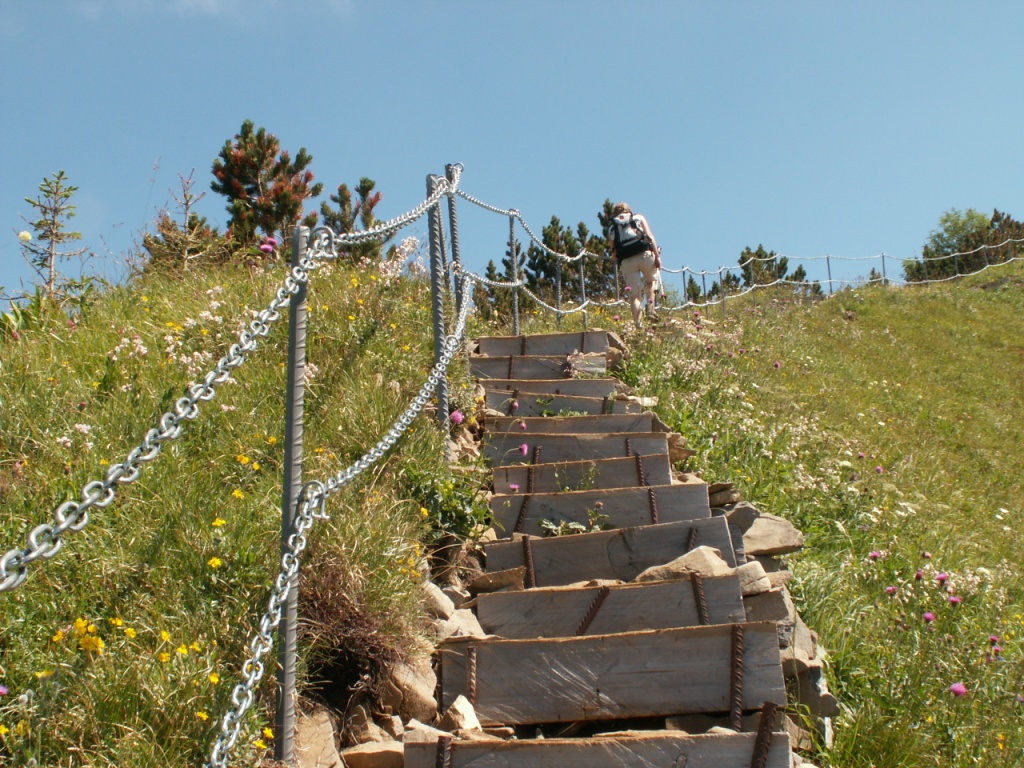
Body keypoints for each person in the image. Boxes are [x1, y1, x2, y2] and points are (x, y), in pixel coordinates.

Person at [608, 202, 661, 330]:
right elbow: (650, 237)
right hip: (645, 255)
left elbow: (614, 254)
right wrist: (657, 255)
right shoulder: (638, 218)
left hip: (627, 262)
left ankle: (639, 325)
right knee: (651, 281)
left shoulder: (612, 228)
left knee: (635, 296)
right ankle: (651, 309)